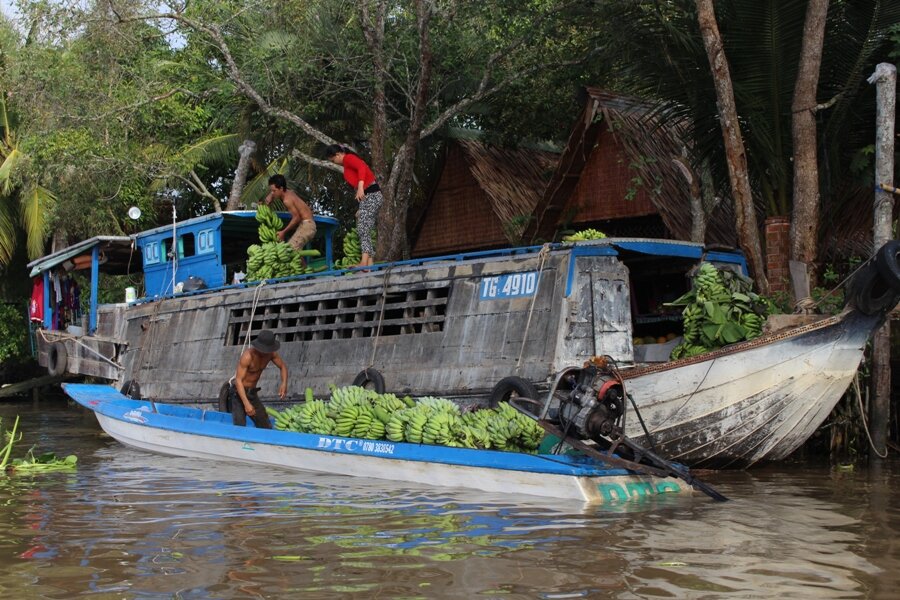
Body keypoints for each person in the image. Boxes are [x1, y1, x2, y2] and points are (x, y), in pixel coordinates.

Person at [324, 144, 382, 267]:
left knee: (363, 228)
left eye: (333, 160)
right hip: (368, 197)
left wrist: (360, 187)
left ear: (338, 154)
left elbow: (362, 167)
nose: (334, 162)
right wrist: (360, 206)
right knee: (363, 227)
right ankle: (369, 265)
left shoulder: (348, 158)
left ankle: (364, 262)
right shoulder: (346, 164)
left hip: (372, 194)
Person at [227, 329, 288, 428]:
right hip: (238, 393)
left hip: (252, 393)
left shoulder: (271, 354)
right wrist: (246, 404)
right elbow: (238, 381)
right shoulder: (248, 356)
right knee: (239, 426)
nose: (265, 352)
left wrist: (284, 383)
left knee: (265, 425)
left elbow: (283, 367)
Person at [264, 174, 316, 252]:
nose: (272, 193)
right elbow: (279, 192)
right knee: (295, 251)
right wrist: (271, 195)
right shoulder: (289, 192)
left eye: (274, 191)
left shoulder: (287, 200)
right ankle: (303, 265)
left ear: (281, 188)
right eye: (271, 191)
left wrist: (283, 232)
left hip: (307, 226)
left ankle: (304, 265)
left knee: (290, 250)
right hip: (307, 224)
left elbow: (296, 218)